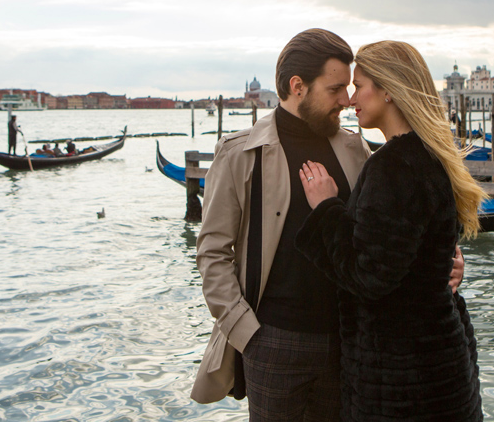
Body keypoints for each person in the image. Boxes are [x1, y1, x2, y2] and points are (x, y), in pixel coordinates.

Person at [191, 29, 465, 420]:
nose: (345, 100)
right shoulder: (239, 155)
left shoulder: (357, 150)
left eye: (350, 87)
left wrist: (442, 266)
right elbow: (212, 252)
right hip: (273, 342)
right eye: (335, 89)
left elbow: (388, 235)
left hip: (348, 346)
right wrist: (247, 333)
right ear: (297, 86)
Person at [295, 40, 484, 421]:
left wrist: (326, 207)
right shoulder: (428, 154)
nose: (350, 98)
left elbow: (368, 276)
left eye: (360, 84)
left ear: (389, 90)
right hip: (441, 363)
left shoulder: (394, 165)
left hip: (403, 382)